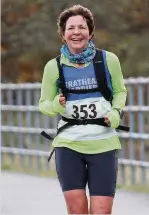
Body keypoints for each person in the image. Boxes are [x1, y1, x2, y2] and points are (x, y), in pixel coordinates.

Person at [39, 4, 127, 215]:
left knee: (102, 211)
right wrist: (55, 105)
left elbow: (120, 91)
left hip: (103, 144)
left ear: (90, 32)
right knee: (77, 210)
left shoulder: (108, 60)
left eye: (81, 27)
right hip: (69, 145)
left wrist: (116, 113)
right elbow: (43, 104)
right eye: (70, 28)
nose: (76, 32)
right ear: (63, 34)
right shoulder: (54, 66)